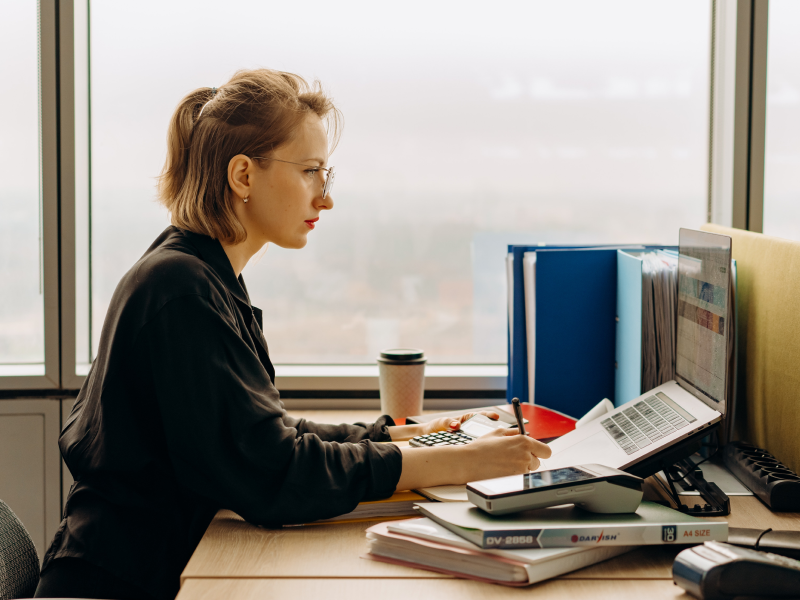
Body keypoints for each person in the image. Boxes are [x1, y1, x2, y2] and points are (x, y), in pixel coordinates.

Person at [35, 69, 551, 600]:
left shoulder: (201, 275)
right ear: (242, 176)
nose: (324, 199)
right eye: (310, 172)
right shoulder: (182, 290)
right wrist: (455, 461)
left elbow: (264, 435)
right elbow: (274, 474)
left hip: (147, 567)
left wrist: (412, 433)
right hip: (116, 584)